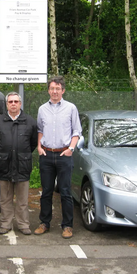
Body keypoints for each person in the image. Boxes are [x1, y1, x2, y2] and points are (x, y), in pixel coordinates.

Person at [34, 76, 81, 239]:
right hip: (46, 155)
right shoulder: (42, 109)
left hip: (64, 155)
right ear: (48, 90)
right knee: (46, 191)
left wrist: (71, 149)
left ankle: (67, 226)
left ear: (63, 90)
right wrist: (39, 147)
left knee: (65, 192)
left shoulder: (71, 108)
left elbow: (77, 131)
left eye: (58, 88)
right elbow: (40, 129)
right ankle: (44, 223)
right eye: (52, 88)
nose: (55, 91)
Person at [0, 92, 38, 236]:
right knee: (5, 199)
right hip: (3, 165)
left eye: (16, 101)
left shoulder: (30, 122)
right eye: (10, 101)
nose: (13, 104)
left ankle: (23, 224)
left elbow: (33, 143)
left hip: (22, 166)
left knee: (22, 200)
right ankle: (5, 224)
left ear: (20, 103)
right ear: (6, 104)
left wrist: (21, 154)